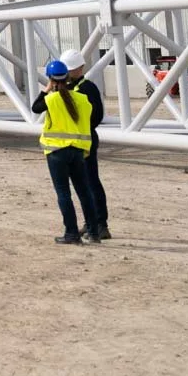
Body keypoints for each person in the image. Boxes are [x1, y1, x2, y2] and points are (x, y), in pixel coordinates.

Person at [32, 58, 98, 244]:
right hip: (78, 151)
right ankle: (94, 232)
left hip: (57, 151)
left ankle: (71, 233)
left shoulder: (51, 99)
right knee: (84, 192)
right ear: (68, 77)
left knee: (63, 193)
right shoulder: (82, 99)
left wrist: (47, 88)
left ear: (51, 79)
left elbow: (35, 108)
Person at [57, 50, 110, 241]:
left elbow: (96, 116)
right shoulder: (67, 88)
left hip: (85, 141)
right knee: (82, 184)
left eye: (70, 69)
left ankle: (100, 224)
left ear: (80, 68)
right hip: (73, 142)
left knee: (91, 182)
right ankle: (91, 222)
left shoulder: (87, 88)